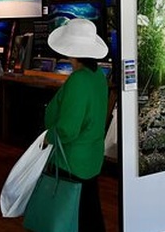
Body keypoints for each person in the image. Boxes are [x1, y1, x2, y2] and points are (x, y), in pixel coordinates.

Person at [43, 19, 109, 232]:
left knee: (68, 214)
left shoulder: (78, 80)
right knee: (89, 211)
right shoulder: (98, 76)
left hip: (71, 159)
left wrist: (49, 137)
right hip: (91, 156)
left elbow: (68, 128)